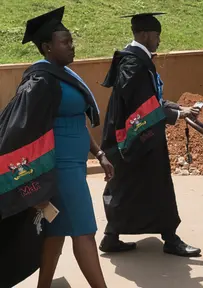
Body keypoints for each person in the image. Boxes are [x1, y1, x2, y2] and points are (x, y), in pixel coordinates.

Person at [0, 6, 112, 288]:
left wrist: (98, 152)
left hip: (73, 166)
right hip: (59, 170)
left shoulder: (64, 75)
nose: (72, 47)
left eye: (71, 41)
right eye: (65, 42)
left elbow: (77, 122)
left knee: (56, 232)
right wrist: (31, 184)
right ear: (47, 47)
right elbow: (21, 133)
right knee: (84, 232)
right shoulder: (41, 81)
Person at [99, 12, 201, 257]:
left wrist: (177, 108)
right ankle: (170, 238)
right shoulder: (134, 63)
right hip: (138, 138)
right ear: (144, 34)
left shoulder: (133, 59)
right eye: (157, 36)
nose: (159, 41)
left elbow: (148, 99)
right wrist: (174, 115)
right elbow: (142, 104)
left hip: (130, 135)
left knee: (127, 184)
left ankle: (111, 237)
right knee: (156, 185)